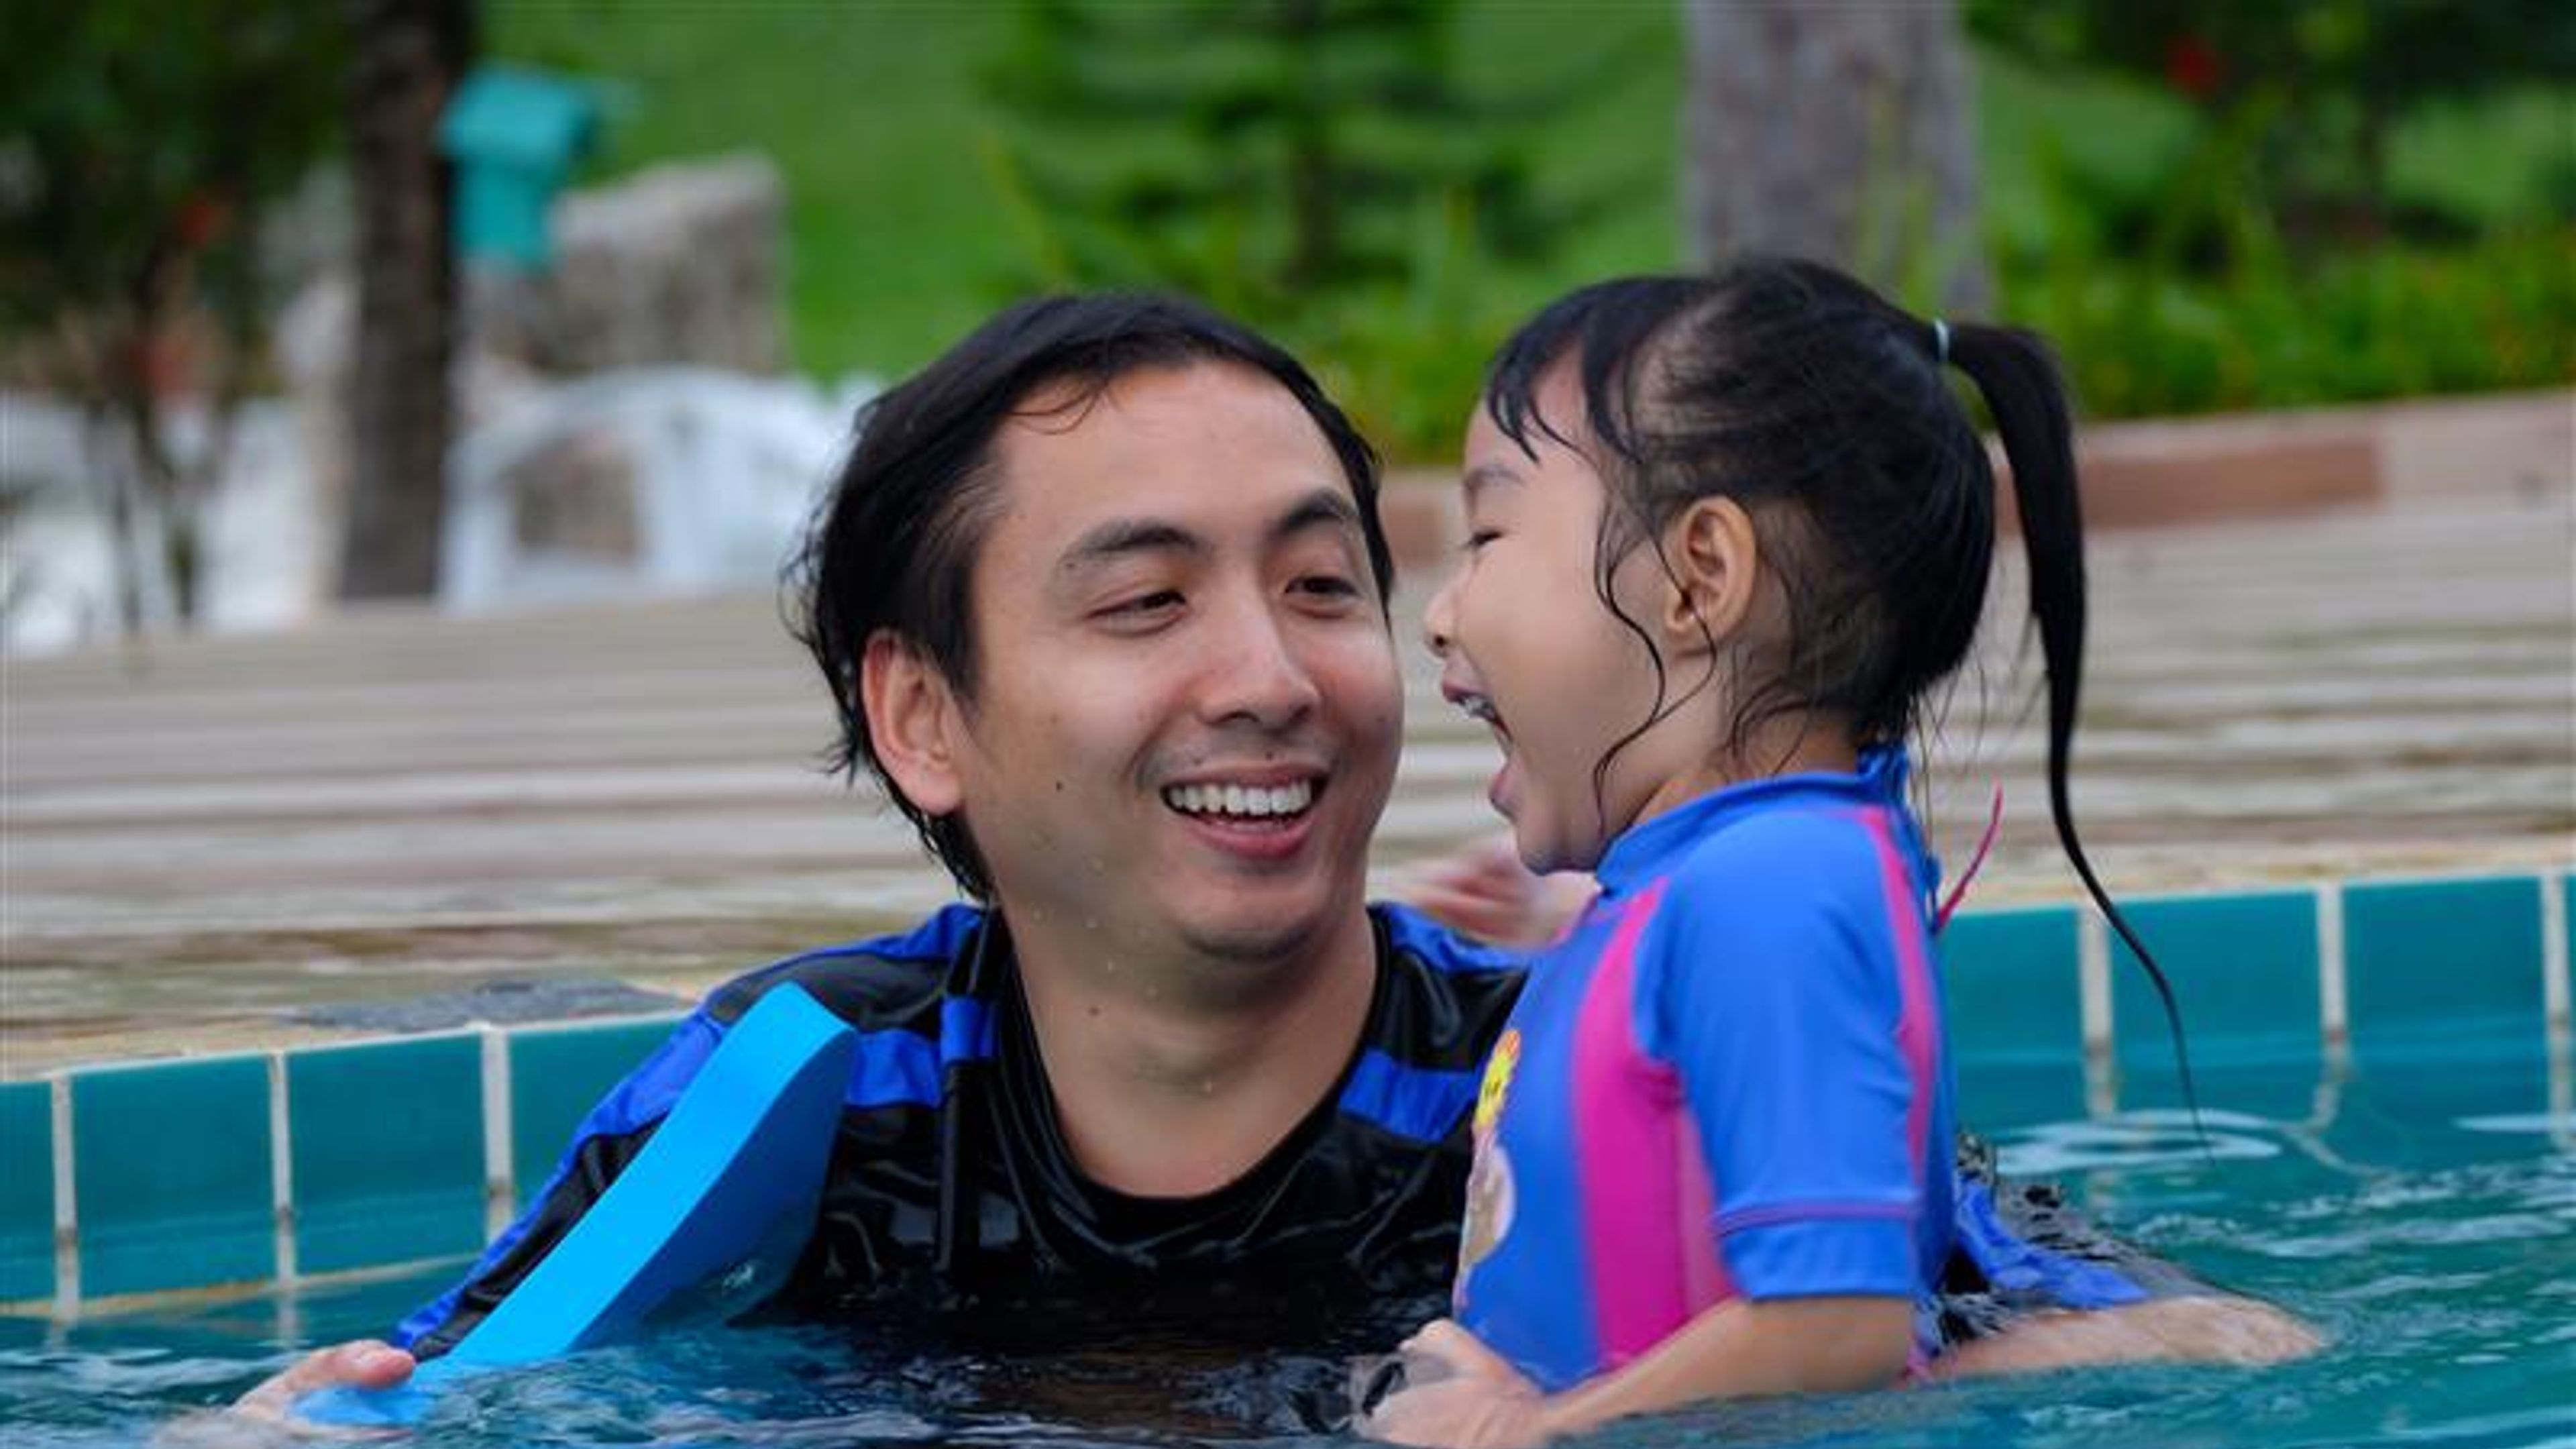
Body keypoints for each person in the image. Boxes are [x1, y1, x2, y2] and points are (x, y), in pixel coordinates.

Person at [237, 290, 2308, 1429]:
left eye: (1325, 581)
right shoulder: (814, 1084)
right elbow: (432, 1393)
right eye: (1143, 605)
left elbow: (2223, 1347)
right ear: (920, 715)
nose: (1277, 676)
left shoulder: (1563, 1082)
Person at [1356, 261, 2315, 1449]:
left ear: (1698, 577)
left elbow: (1833, 1326)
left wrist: (1532, 1433)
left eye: (1490, 532)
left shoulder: (1774, 886)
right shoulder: (1707, 888)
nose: (1443, 611)